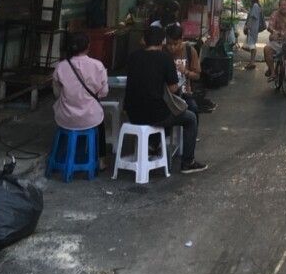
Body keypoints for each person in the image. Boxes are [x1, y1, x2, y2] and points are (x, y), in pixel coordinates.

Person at [124, 25, 207, 174]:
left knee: (179, 108)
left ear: (144, 40)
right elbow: (174, 88)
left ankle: (154, 145)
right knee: (191, 118)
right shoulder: (165, 58)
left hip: (132, 114)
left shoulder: (132, 56)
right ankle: (188, 162)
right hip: (155, 115)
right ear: (162, 41)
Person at [52, 31, 110, 168]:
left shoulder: (61, 66)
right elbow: (104, 92)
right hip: (90, 117)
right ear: (88, 46)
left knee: (63, 110)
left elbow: (57, 93)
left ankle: (62, 155)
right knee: (99, 120)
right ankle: (101, 160)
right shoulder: (98, 65)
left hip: (66, 118)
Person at [164, 24, 211, 119]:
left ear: (182, 39)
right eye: (169, 44)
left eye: (175, 43)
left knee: (193, 111)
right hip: (166, 94)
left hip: (185, 93)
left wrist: (186, 72)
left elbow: (197, 75)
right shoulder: (162, 51)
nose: (172, 47)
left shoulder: (190, 51)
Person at [241, 0, 263, 70]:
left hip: (252, 28)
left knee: (252, 45)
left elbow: (252, 17)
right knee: (252, 45)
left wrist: (247, 26)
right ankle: (251, 62)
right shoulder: (256, 6)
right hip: (254, 28)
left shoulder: (255, 5)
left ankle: (252, 62)